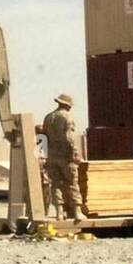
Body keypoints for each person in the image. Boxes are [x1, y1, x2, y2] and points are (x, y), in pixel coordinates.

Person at [42, 93, 86, 221]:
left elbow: (43, 138)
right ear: (67, 105)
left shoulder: (48, 117)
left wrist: (45, 156)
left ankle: (59, 213)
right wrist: (76, 155)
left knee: (56, 184)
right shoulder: (67, 117)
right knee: (72, 183)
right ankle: (77, 211)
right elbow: (69, 138)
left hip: (52, 156)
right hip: (66, 156)